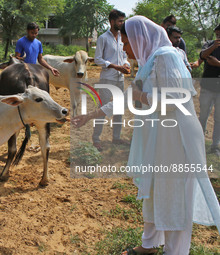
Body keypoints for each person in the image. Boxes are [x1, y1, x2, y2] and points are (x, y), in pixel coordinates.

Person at [72, 16, 220, 255]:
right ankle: (149, 245)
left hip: (177, 138)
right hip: (160, 136)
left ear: (139, 39)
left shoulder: (167, 56)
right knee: (153, 187)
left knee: (174, 194)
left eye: (126, 43)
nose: (124, 49)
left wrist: (142, 97)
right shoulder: (150, 61)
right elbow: (127, 98)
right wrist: (90, 116)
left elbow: (177, 98)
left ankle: (175, 251)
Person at [93, 9, 130, 150]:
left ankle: (116, 138)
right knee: (103, 109)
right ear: (112, 21)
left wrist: (125, 65)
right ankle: (96, 139)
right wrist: (114, 66)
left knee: (119, 109)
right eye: (120, 21)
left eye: (123, 20)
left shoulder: (123, 37)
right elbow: (98, 59)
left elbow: (125, 55)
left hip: (120, 79)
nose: (122, 23)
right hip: (107, 79)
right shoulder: (103, 38)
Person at [198, 24, 220, 157]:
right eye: (217, 34)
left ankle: (215, 146)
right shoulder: (209, 44)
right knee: (203, 115)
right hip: (207, 87)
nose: (219, 36)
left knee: (218, 118)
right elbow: (202, 55)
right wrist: (213, 47)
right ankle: (199, 142)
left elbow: (213, 62)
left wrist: (217, 63)